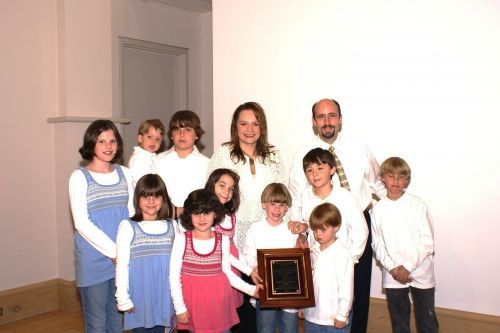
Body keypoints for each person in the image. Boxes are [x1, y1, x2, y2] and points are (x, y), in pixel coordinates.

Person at [288, 99, 385, 333]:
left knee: (357, 294)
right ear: (314, 122)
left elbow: (378, 184)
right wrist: (300, 233)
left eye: (332, 115)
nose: (327, 121)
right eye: (321, 116)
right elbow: (295, 198)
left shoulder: (358, 147)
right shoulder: (304, 154)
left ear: (340, 119)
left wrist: (349, 257)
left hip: (356, 228)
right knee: (322, 292)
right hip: (319, 237)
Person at [208, 102, 285, 332]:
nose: (249, 129)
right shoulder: (223, 152)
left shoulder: (273, 155)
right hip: (232, 236)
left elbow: (281, 192)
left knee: (264, 296)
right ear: (235, 126)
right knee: (237, 298)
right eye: (243, 123)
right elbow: (212, 192)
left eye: (255, 123)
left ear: (262, 126)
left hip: (266, 234)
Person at [69, 119, 134, 333]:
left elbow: (133, 214)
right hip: (94, 259)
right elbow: (81, 223)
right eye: (102, 141)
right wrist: (115, 251)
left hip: (123, 258)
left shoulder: (125, 173)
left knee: (117, 320)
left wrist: (125, 251)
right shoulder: (79, 177)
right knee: (97, 322)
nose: (108, 146)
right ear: (91, 144)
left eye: (112, 140)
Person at [169, 189, 262, 333]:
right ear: (189, 215)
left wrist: (251, 290)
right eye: (196, 213)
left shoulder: (222, 240)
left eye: (206, 213)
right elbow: (174, 277)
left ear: (215, 214)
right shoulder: (182, 239)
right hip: (192, 306)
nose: (201, 218)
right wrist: (179, 308)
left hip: (219, 305)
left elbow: (228, 274)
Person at [371, 157, 439, 333]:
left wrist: (407, 267)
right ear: (383, 178)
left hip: (421, 270)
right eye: (391, 176)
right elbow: (377, 245)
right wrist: (394, 268)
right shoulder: (377, 210)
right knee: (399, 323)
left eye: (401, 177)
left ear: (407, 180)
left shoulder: (417, 204)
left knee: (427, 321)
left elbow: (427, 242)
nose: (395, 181)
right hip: (392, 274)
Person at [115, 174, 175, 333]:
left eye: (156, 196)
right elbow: (122, 265)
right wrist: (122, 297)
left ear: (164, 199)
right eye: (146, 196)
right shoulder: (128, 226)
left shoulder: (173, 226)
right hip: (140, 299)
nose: (151, 201)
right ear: (137, 198)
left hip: (166, 298)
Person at [292, 148, 368, 264]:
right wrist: (303, 228)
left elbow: (360, 230)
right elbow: (311, 223)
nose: (315, 174)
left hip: (341, 262)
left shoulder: (345, 197)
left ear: (332, 169)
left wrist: (350, 259)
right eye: (309, 170)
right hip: (316, 262)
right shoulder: (305, 195)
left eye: (320, 168)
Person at [242, 183, 299, 333]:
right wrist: (255, 267)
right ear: (264, 205)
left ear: (287, 207)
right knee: (265, 328)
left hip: (289, 290)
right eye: (273, 204)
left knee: (289, 327)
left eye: (281, 204)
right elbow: (249, 253)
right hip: (265, 288)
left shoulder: (292, 230)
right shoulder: (255, 229)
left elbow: (299, 259)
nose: (277, 209)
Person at [205, 168, 262, 311]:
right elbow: (224, 254)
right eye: (222, 185)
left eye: (231, 189)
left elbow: (234, 247)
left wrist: (251, 270)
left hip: (235, 269)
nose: (226, 192)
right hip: (219, 271)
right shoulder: (206, 217)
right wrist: (248, 271)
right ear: (212, 185)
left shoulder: (231, 215)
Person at [303, 203, 354, 333]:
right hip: (311, 317)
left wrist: (342, 315)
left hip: (333, 320)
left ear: (336, 227)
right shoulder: (312, 253)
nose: (318, 234)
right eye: (315, 230)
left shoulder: (343, 255)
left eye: (323, 230)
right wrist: (303, 308)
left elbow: (346, 288)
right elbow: (307, 284)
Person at [156, 110, 209, 218]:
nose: (182, 134)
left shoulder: (207, 164)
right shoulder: (158, 161)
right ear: (171, 135)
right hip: (164, 220)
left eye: (188, 129)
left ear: (197, 135)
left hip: (197, 222)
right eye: (176, 129)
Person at [128, 119, 166, 186]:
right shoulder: (138, 159)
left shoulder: (152, 157)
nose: (153, 141)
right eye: (149, 137)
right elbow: (146, 185)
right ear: (140, 138)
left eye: (157, 139)